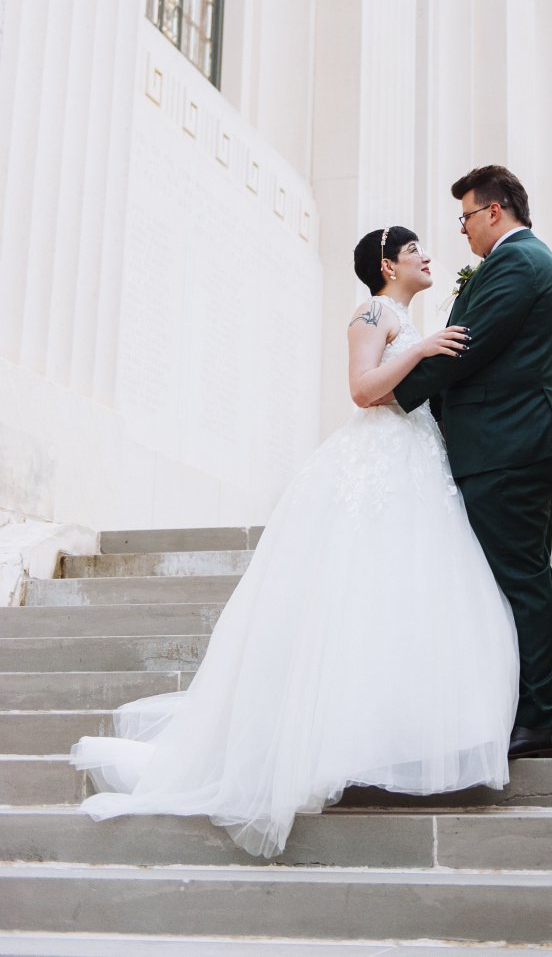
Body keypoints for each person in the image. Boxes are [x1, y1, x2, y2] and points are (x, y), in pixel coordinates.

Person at [70, 228, 519, 859]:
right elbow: (363, 389)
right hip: (377, 461)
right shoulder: (370, 311)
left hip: (417, 461)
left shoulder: (409, 318)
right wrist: (422, 355)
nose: (427, 256)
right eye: (414, 249)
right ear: (387, 264)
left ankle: (384, 739)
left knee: (404, 598)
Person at [394, 166, 552, 760]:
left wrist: (392, 394)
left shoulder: (518, 263)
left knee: (520, 581)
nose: (463, 231)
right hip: (512, 442)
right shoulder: (520, 263)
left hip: (512, 446)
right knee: (513, 581)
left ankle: (540, 719)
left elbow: (465, 345)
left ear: (495, 211)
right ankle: (524, 709)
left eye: (466, 217)